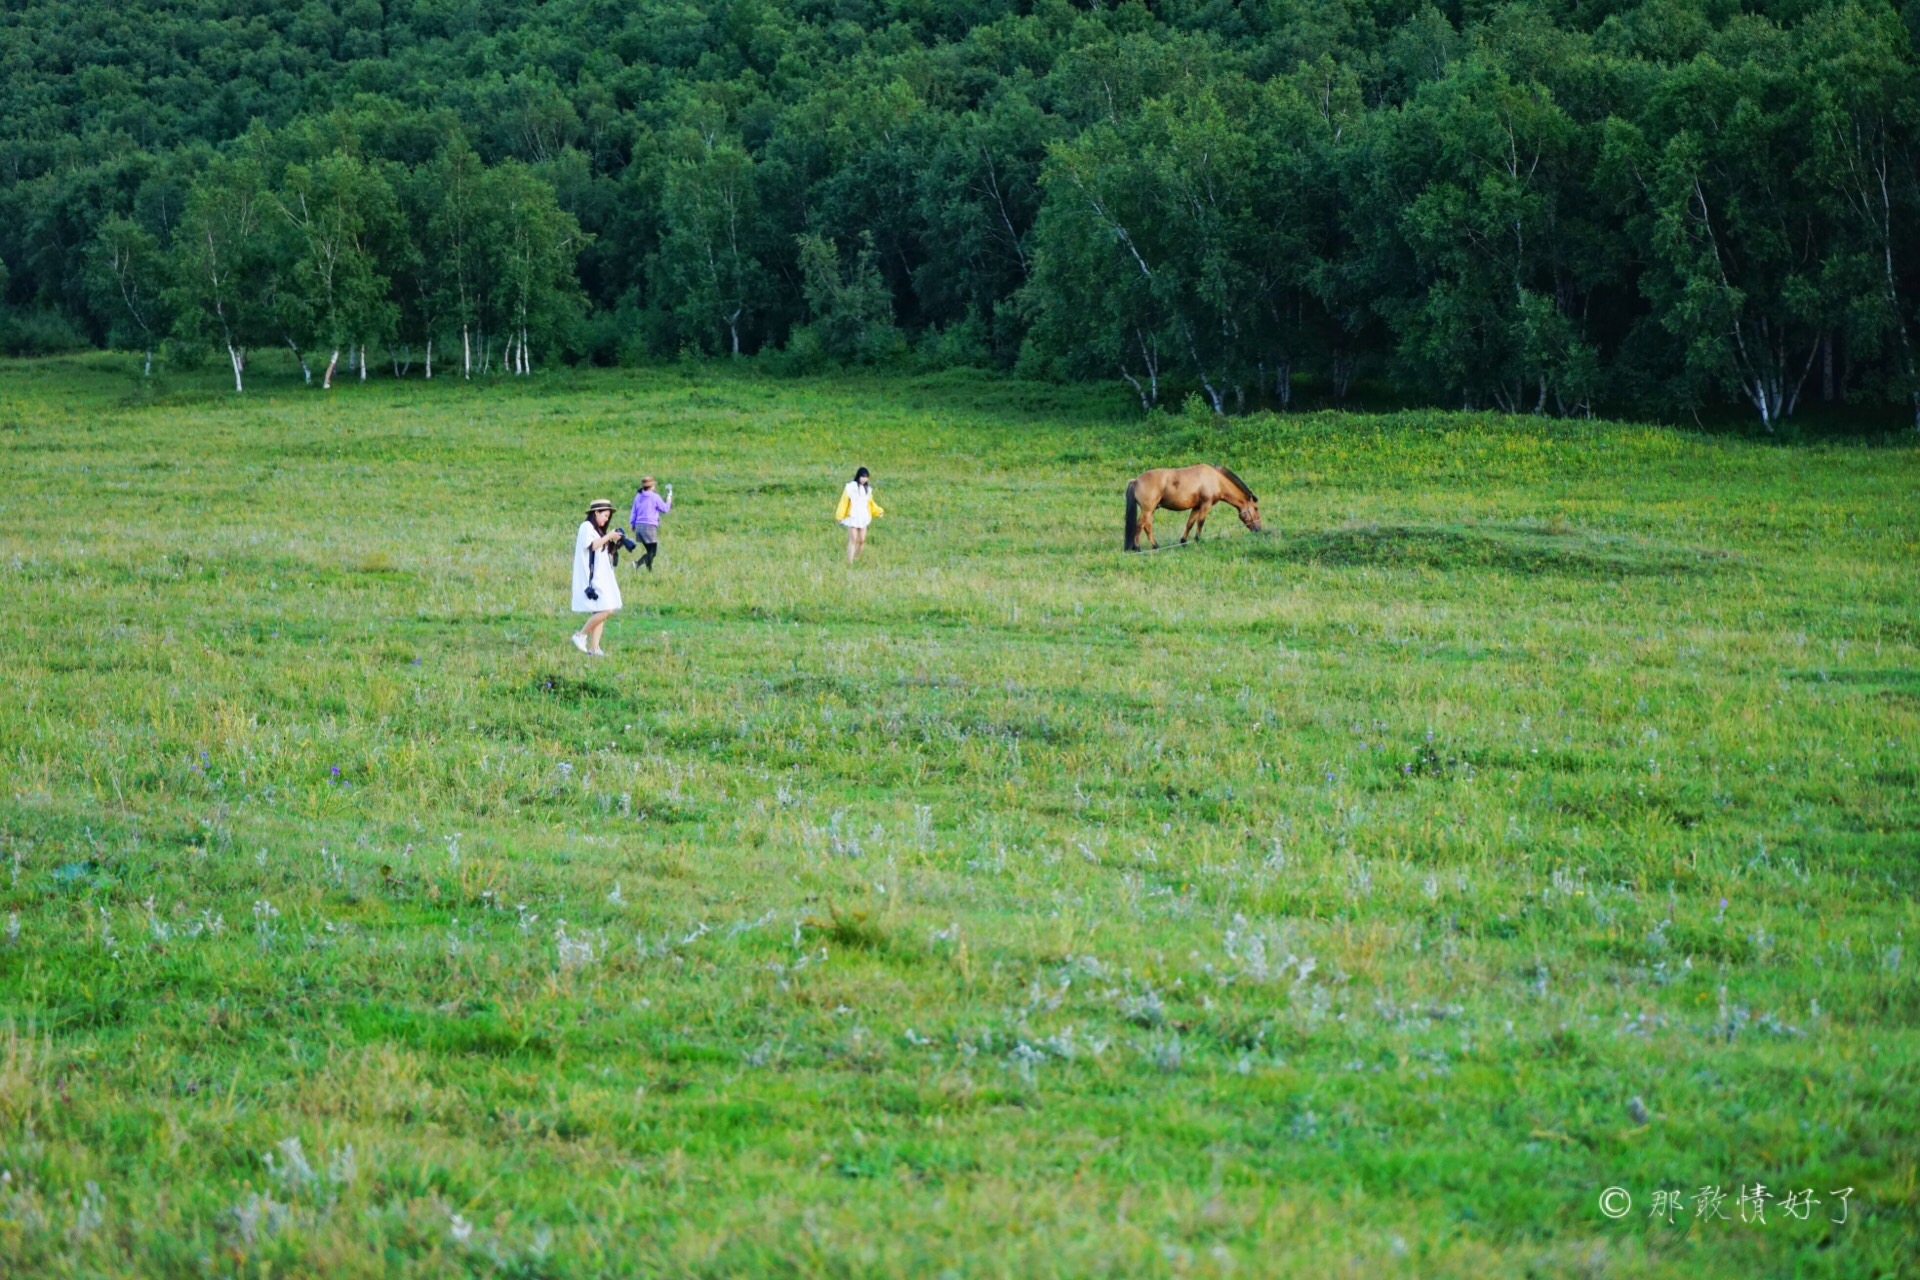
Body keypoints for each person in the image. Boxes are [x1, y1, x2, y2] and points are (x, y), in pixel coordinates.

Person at [570, 499, 626, 656]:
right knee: (607, 609)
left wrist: (615, 543)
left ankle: (594, 649)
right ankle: (580, 635)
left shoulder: (598, 531)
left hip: (601, 576)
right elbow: (592, 545)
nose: (606, 519)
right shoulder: (586, 526)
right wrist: (609, 535)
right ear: (596, 512)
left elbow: (601, 550)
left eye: (608, 517)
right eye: (605, 515)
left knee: (600, 610)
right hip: (593, 577)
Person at [834, 466, 884, 562]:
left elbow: (871, 503)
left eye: (866, 477)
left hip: (863, 517)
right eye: (863, 476)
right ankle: (850, 561)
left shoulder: (867, 490)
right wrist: (839, 516)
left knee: (862, 540)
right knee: (853, 539)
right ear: (858, 476)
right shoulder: (850, 487)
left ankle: (858, 559)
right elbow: (843, 502)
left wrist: (878, 511)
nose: (864, 479)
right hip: (853, 517)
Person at [628, 476, 673, 571]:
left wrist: (632, 523)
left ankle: (650, 571)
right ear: (652, 486)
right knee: (653, 552)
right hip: (649, 527)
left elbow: (634, 511)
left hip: (639, 526)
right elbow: (665, 509)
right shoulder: (654, 497)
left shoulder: (638, 496)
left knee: (649, 551)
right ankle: (637, 564)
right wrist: (669, 498)